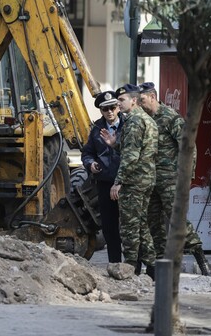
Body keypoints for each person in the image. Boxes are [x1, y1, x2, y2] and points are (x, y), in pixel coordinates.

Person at [138, 81, 210, 275]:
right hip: (151, 180)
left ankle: (201, 260)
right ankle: (160, 266)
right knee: (153, 223)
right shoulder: (144, 119)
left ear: (152, 97)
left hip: (170, 180)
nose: (139, 103)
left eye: (142, 99)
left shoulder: (170, 117)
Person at [101, 84, 158, 279]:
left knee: (129, 227)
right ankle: (152, 266)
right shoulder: (146, 119)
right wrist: (115, 145)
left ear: (134, 100)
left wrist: (118, 182)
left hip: (134, 181)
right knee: (141, 224)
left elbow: (131, 156)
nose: (118, 104)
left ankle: (132, 267)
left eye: (122, 100)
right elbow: (137, 150)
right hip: (146, 178)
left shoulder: (133, 121)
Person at [81, 91, 124, 263]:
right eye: (105, 109)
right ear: (101, 111)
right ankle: (115, 263)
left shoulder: (129, 125)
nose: (110, 112)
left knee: (132, 227)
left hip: (126, 183)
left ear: (118, 108)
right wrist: (90, 164)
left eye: (113, 107)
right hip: (105, 183)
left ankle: (135, 267)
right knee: (109, 226)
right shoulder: (97, 128)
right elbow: (87, 153)